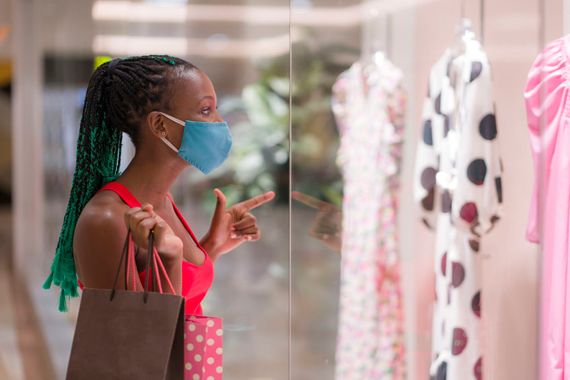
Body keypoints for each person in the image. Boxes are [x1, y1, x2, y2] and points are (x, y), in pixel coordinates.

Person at [42, 55, 275, 314]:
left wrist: (213, 245)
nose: (220, 122)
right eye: (206, 110)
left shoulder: (161, 201)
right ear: (161, 125)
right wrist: (169, 258)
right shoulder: (106, 219)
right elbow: (132, 343)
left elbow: (185, 299)